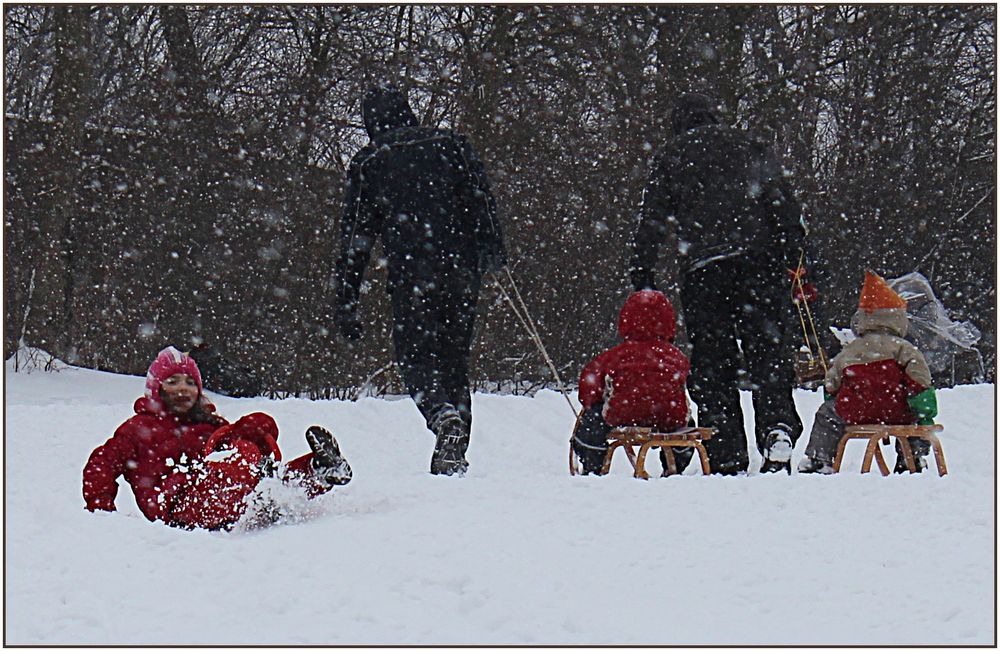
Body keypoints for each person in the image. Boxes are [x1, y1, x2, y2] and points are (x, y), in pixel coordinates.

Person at [333, 83, 506, 476]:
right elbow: (481, 201)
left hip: (413, 272)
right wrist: (491, 251)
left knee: (416, 358)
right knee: (453, 359)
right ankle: (455, 448)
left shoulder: (371, 161)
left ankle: (442, 415)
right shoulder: (453, 145)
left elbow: (355, 239)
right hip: (462, 271)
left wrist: (347, 299)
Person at [629, 92, 806, 475]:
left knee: (713, 359)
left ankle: (725, 449)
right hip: (761, 263)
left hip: (705, 268)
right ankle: (777, 428)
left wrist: (643, 273)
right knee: (768, 351)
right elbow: (784, 204)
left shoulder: (672, 156)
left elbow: (652, 220)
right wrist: (792, 251)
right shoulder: (752, 147)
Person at [82, 346, 352, 530]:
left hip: (220, 490)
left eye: (190, 383)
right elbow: (102, 464)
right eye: (173, 381)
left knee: (257, 426)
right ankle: (265, 496)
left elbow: (233, 445)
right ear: (157, 387)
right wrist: (102, 513)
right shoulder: (139, 428)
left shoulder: (208, 425)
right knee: (242, 462)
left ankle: (317, 471)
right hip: (175, 507)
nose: (183, 389)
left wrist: (252, 435)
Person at [798, 271, 938, 474]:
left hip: (855, 411)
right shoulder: (904, 350)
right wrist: (926, 415)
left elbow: (831, 386)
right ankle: (912, 456)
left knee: (826, 414)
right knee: (914, 415)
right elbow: (920, 386)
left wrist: (838, 401)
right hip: (896, 411)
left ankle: (820, 458)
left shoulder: (850, 351)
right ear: (899, 318)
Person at [573, 290, 690, 474]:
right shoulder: (675, 356)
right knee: (684, 421)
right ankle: (676, 461)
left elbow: (590, 386)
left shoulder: (616, 356)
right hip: (668, 413)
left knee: (593, 417)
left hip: (623, 412)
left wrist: (592, 401)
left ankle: (593, 462)